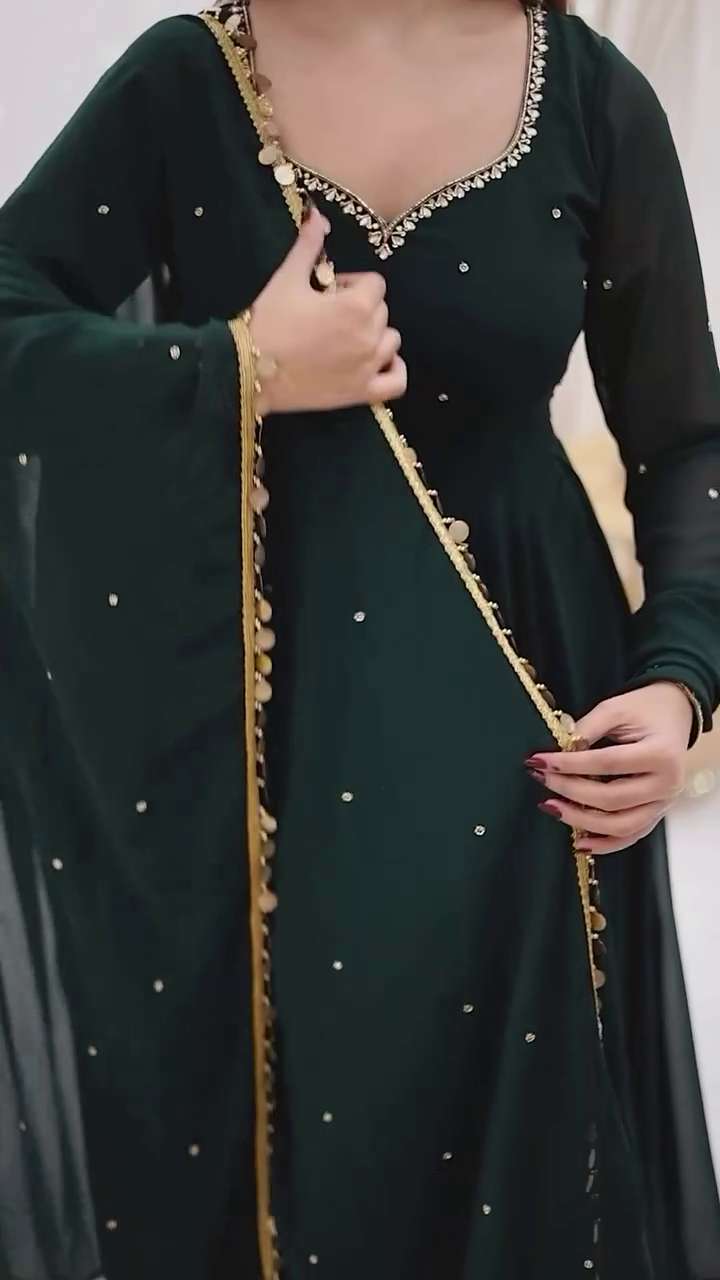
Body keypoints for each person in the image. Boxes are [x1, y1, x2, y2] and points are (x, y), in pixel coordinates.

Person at [0, 0, 719, 1276]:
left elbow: (687, 445)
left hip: (534, 749)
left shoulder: (589, 96)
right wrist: (240, 365)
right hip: (259, 751)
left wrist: (680, 684)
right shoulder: (191, 78)